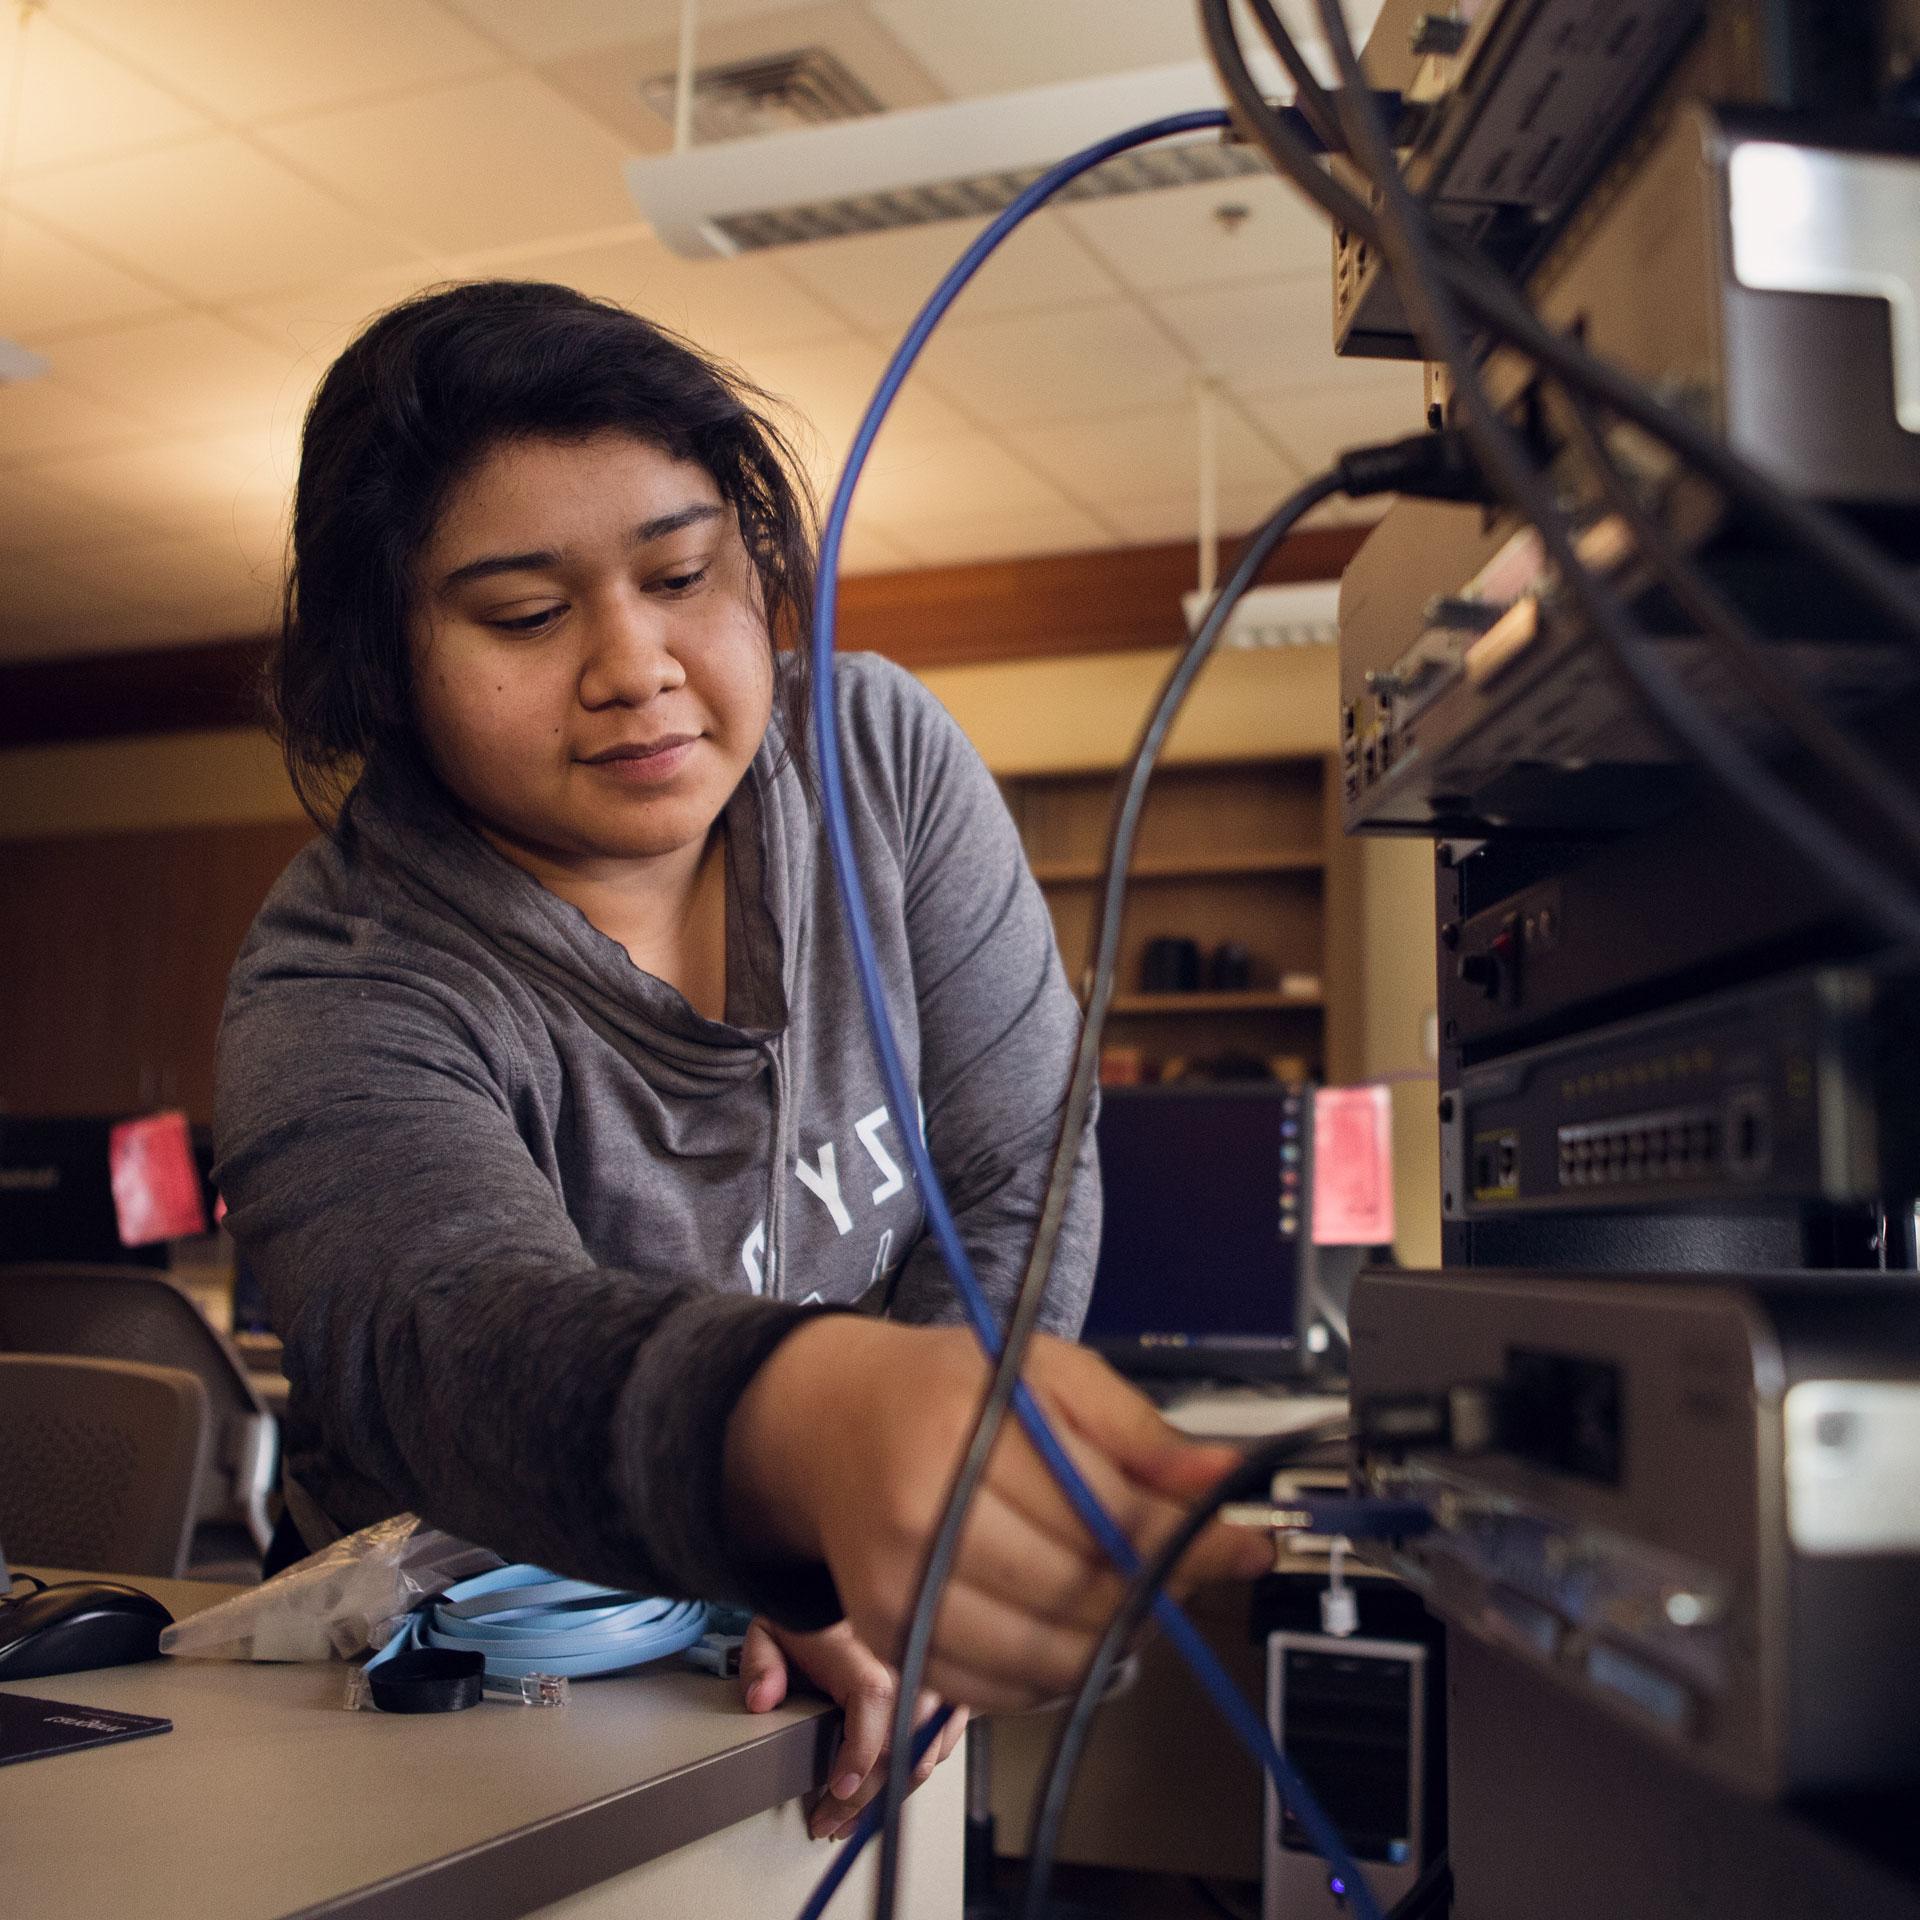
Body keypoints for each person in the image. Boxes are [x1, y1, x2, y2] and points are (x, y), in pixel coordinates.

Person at [215, 280, 1271, 1840]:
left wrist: (883, 1527)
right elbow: (441, 1333)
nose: (633, 664)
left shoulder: (877, 766)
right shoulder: (347, 975)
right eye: (523, 616)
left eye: (683, 573)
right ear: (387, 662)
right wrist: (799, 1462)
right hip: (475, 1729)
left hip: (847, 1665)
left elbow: (1011, 1180)